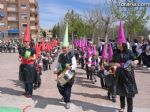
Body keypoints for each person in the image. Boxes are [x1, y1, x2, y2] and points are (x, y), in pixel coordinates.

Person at [110, 20, 138, 112]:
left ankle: (130, 110)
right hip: (119, 74)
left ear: (124, 44)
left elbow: (136, 59)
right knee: (121, 93)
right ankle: (122, 107)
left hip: (128, 75)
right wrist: (115, 64)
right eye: (117, 43)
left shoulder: (129, 52)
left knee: (129, 94)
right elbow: (110, 63)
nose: (118, 45)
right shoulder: (115, 53)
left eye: (119, 43)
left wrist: (135, 62)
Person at [54, 23, 77, 109]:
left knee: (68, 88)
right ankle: (65, 96)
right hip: (61, 73)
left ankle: (67, 101)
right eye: (63, 47)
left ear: (68, 47)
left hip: (69, 74)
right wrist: (56, 69)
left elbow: (75, 64)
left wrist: (71, 67)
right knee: (59, 86)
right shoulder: (60, 55)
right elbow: (58, 64)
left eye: (65, 47)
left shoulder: (72, 55)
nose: (64, 49)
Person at [18, 26, 36, 98]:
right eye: (24, 41)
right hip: (23, 65)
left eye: (26, 41)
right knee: (24, 80)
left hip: (30, 66)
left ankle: (30, 93)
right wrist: (19, 59)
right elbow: (19, 57)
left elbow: (34, 58)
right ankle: (26, 91)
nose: (25, 43)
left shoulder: (32, 49)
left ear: (29, 42)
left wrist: (30, 58)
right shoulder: (21, 49)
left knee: (30, 80)